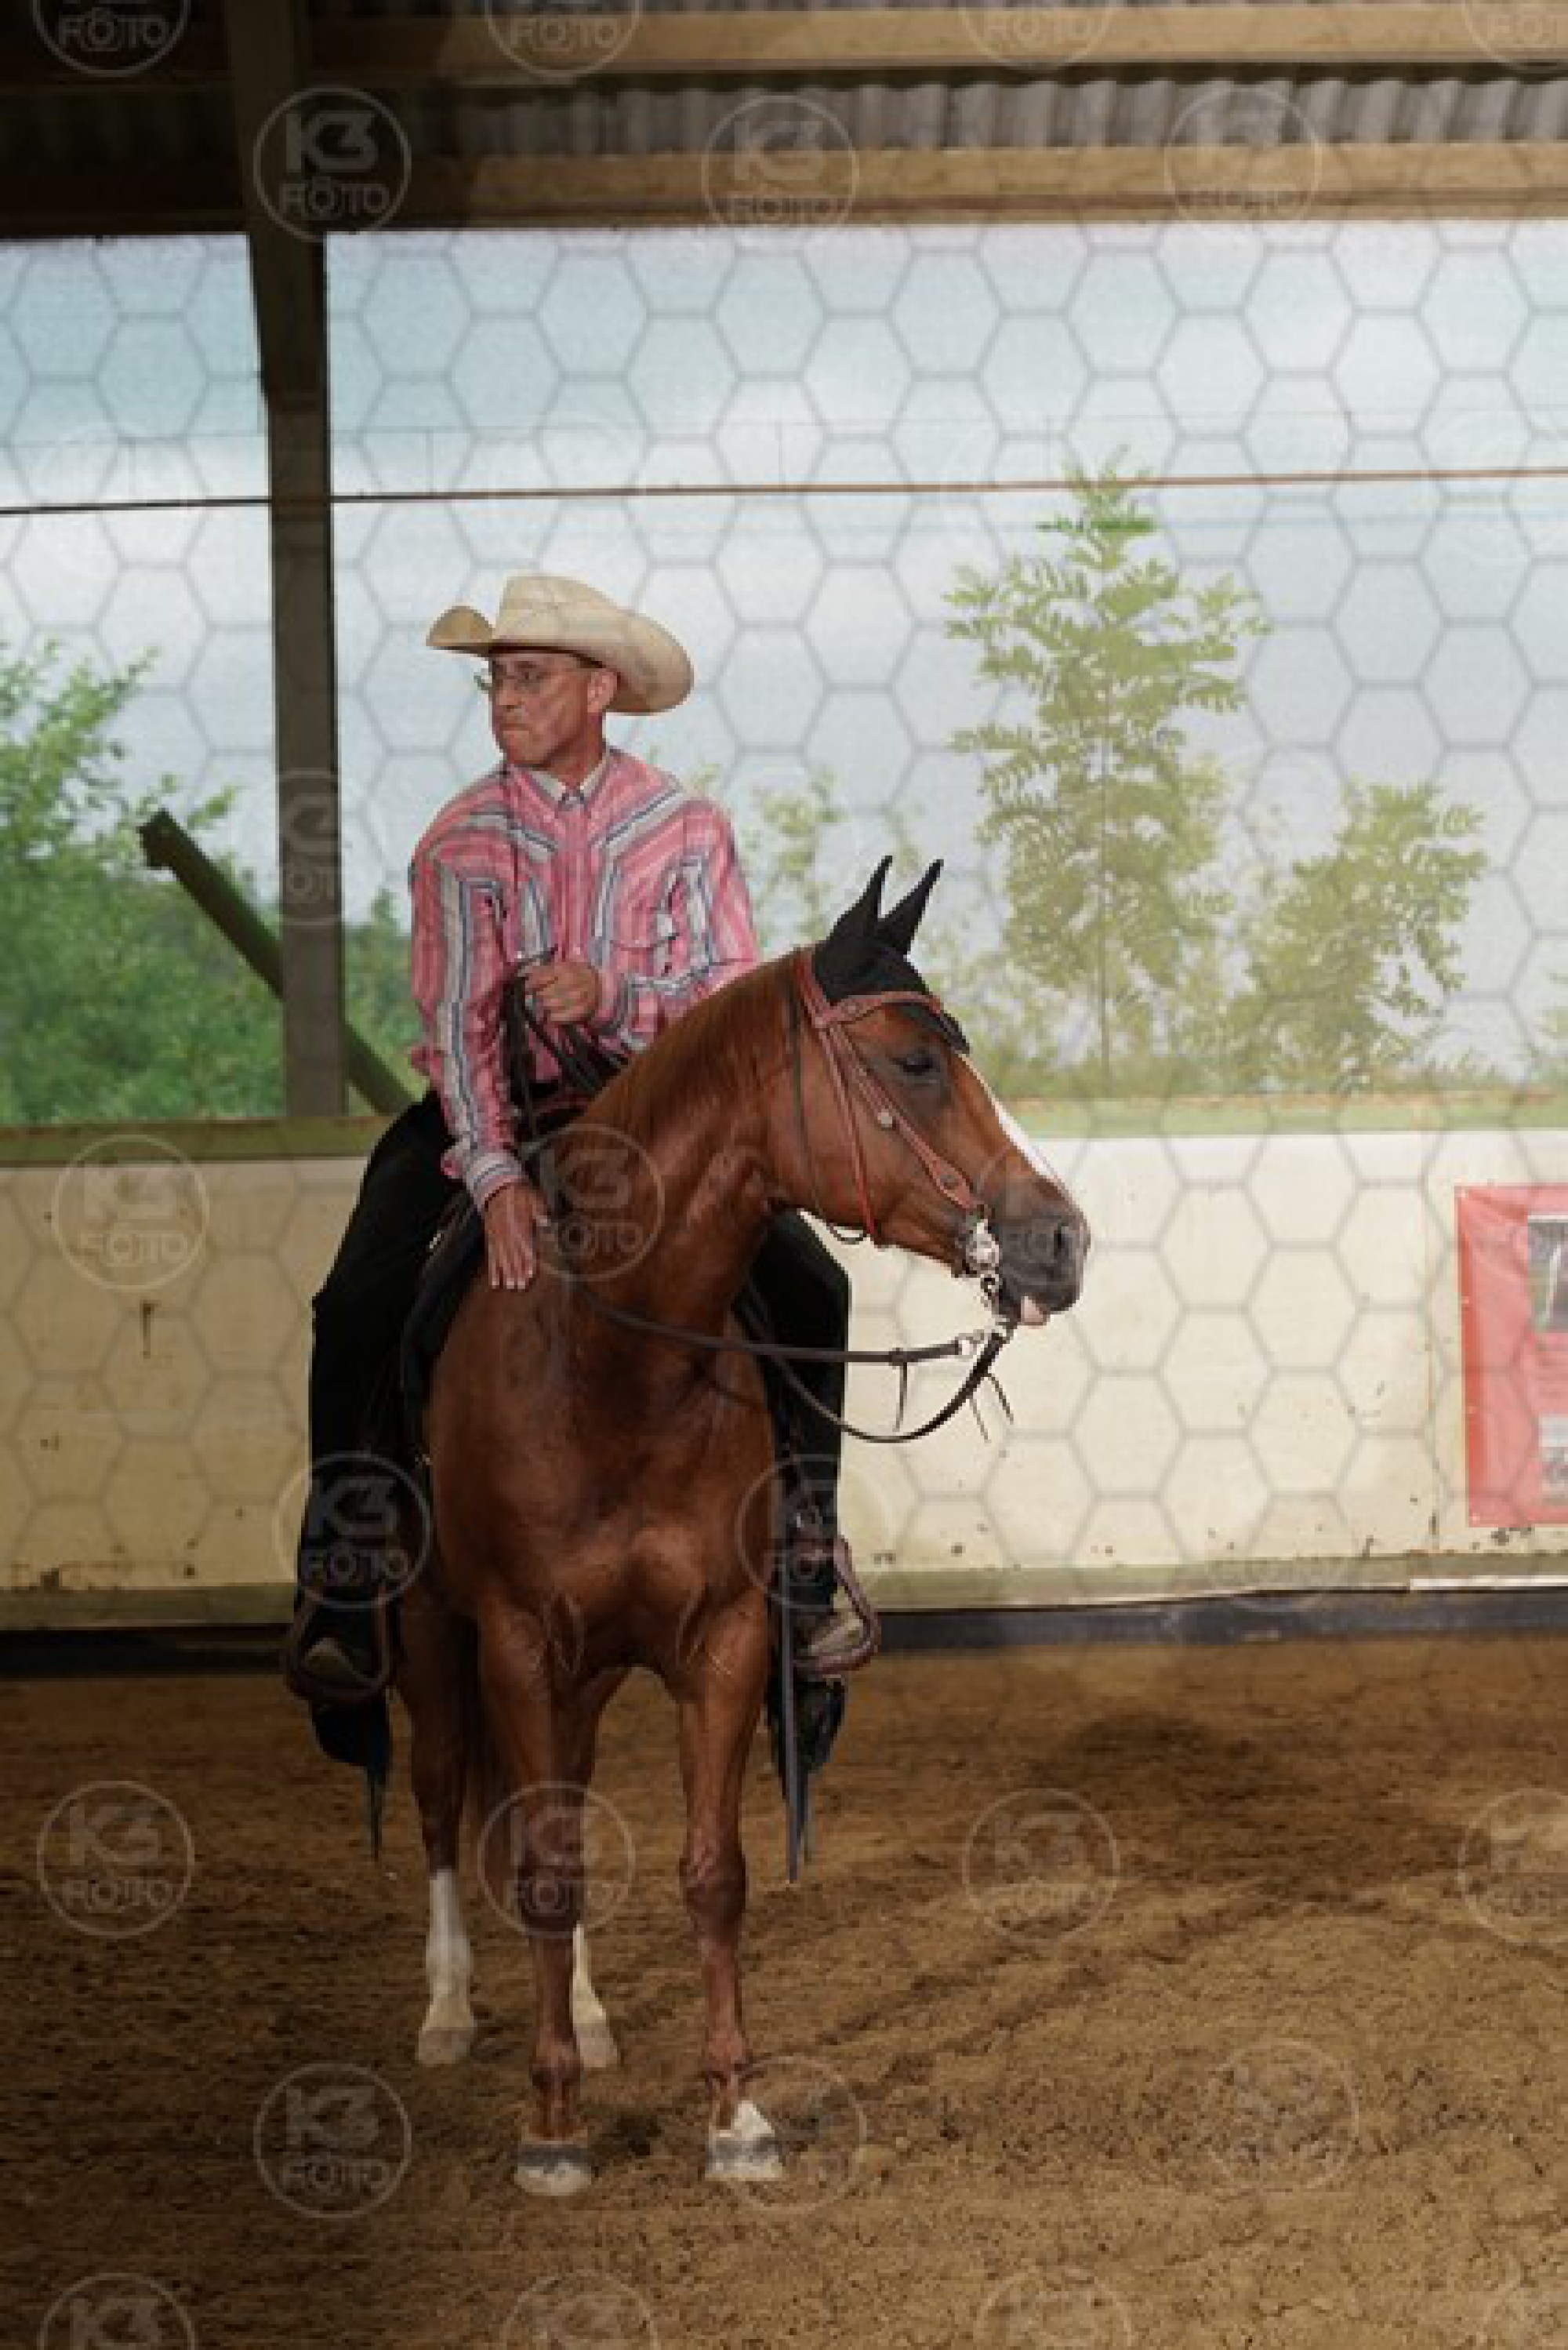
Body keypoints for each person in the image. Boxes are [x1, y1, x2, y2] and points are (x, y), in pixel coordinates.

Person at [288, 573, 862, 1706]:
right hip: (492, 1107)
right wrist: (496, 1177)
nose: (505, 698)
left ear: (599, 689)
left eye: (529, 676)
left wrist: (612, 996)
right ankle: (346, 1571)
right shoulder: (459, 843)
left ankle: (804, 1551)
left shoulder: (687, 829)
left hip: (658, 1116)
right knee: (357, 1300)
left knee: (812, 1285)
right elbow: (459, 1026)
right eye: (496, 680)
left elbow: (723, 1011)